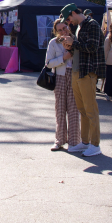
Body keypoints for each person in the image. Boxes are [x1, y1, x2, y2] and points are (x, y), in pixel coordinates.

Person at [62, 5, 103, 156]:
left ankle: (95, 144)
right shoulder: (79, 27)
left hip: (87, 72)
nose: (68, 22)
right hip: (76, 71)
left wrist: (74, 43)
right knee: (83, 110)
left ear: (74, 13)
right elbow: (79, 49)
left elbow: (92, 47)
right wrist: (70, 46)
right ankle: (85, 142)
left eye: (68, 18)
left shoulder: (92, 25)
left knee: (91, 110)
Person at [45, 19, 81, 151]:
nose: (63, 31)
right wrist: (63, 58)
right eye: (59, 30)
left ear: (69, 27)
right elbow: (48, 63)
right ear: (56, 31)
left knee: (73, 109)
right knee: (60, 109)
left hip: (74, 76)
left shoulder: (76, 41)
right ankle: (59, 140)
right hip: (60, 77)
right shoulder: (53, 43)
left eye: (64, 28)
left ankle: (74, 141)